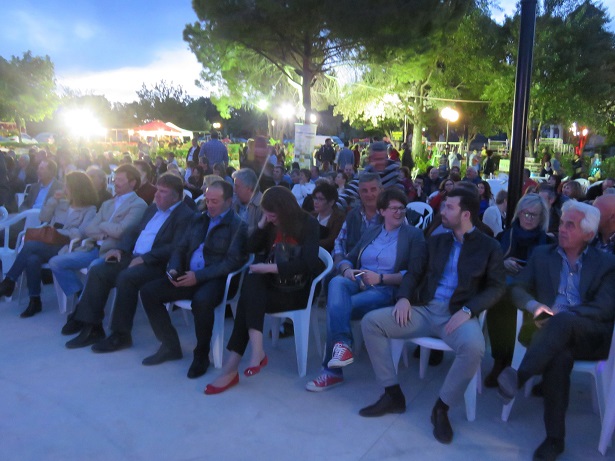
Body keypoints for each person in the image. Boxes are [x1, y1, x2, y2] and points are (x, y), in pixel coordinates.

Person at [359, 188, 506, 444]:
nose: (442, 211)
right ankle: (392, 394)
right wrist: (404, 297)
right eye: (443, 206)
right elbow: (415, 272)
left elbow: (497, 287)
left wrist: (469, 310)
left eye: (449, 207)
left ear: (466, 214)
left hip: (457, 314)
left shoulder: (488, 246)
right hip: (425, 310)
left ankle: (442, 408)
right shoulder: (437, 241)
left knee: (474, 348)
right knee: (372, 323)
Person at [498, 201, 615, 461]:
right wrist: (534, 305)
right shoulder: (543, 255)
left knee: (562, 321)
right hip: (546, 334)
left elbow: (605, 307)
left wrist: (565, 316)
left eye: (570, 225)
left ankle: (519, 376)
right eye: (561, 223)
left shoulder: (606, 263)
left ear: (588, 234)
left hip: (588, 335)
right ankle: (554, 440)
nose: (561, 229)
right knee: (559, 357)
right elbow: (516, 288)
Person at [306, 188, 427, 391]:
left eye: (402, 208)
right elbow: (350, 257)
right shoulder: (373, 231)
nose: (399, 212)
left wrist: (381, 278)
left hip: (385, 288)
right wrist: (346, 270)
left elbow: (415, 272)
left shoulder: (413, 235)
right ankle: (342, 346)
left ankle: (332, 371)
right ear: (382, 211)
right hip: (360, 281)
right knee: (337, 283)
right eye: (393, 208)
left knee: (337, 308)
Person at [204, 186, 321, 394]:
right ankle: (255, 352)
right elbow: (250, 247)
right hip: (271, 287)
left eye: (273, 215)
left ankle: (235, 366)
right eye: (267, 214)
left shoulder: (308, 223)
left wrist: (270, 268)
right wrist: (261, 225)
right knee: (252, 286)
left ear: (285, 210)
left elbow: (308, 264)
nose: (270, 218)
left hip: (297, 291)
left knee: (249, 295)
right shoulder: (270, 223)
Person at [60, 173, 194, 349]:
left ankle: (121, 335)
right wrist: (120, 249)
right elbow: (134, 231)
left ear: (175, 197)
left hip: (157, 264)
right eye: (157, 190)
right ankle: (91, 327)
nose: (156, 195)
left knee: (126, 277)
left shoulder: (185, 215)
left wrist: (145, 258)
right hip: (133, 256)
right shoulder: (153, 209)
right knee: (99, 271)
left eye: (163, 192)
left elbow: (176, 247)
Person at [138, 180, 248, 378]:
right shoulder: (198, 219)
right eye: (207, 200)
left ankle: (201, 355)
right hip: (189, 274)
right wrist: (173, 269)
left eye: (215, 201)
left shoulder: (238, 226)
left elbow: (231, 263)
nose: (209, 205)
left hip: (216, 279)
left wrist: (198, 277)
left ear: (229, 202)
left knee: (202, 301)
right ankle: (170, 345)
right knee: (149, 292)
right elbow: (180, 248)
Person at [0, 172, 98, 317]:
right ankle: (34, 300)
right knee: (32, 259)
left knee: (30, 246)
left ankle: (10, 281)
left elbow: (82, 233)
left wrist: (59, 232)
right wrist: (53, 201)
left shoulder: (90, 209)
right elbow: (43, 217)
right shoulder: (61, 203)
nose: (64, 188)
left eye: (67, 185)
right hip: (49, 243)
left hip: (67, 246)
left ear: (76, 188)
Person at [48, 165, 148, 299]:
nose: (115, 182)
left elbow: (120, 232)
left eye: (120, 180)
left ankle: (84, 302)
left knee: (94, 268)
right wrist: (105, 231)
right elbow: (89, 229)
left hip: (112, 252)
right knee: (56, 262)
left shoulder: (138, 205)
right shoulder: (108, 204)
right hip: (92, 248)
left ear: (132, 183)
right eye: (115, 179)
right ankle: (81, 295)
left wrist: (102, 224)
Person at [484, 193, 552, 387]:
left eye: (533, 215)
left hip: (533, 291)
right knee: (499, 299)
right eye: (525, 213)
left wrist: (529, 270)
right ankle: (501, 360)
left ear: (542, 217)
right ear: (518, 213)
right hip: (505, 289)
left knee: (507, 298)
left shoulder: (547, 243)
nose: (528, 218)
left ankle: (516, 360)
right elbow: (490, 264)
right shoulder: (505, 236)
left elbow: (548, 276)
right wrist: (503, 262)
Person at [333, 173, 383, 264]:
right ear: (359, 193)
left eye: (373, 189)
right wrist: (340, 261)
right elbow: (339, 241)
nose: (369, 194)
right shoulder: (352, 215)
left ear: (381, 190)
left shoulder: (393, 214)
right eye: (364, 190)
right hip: (352, 267)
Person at [311, 182, 345, 254]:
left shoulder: (339, 218)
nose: (316, 202)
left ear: (331, 202)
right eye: (315, 198)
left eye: (320, 199)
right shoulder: (312, 215)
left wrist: (309, 244)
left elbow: (332, 241)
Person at [232, 168, 263, 237]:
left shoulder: (263, 206)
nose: (234, 189)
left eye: (237, 186)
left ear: (249, 188)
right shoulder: (234, 201)